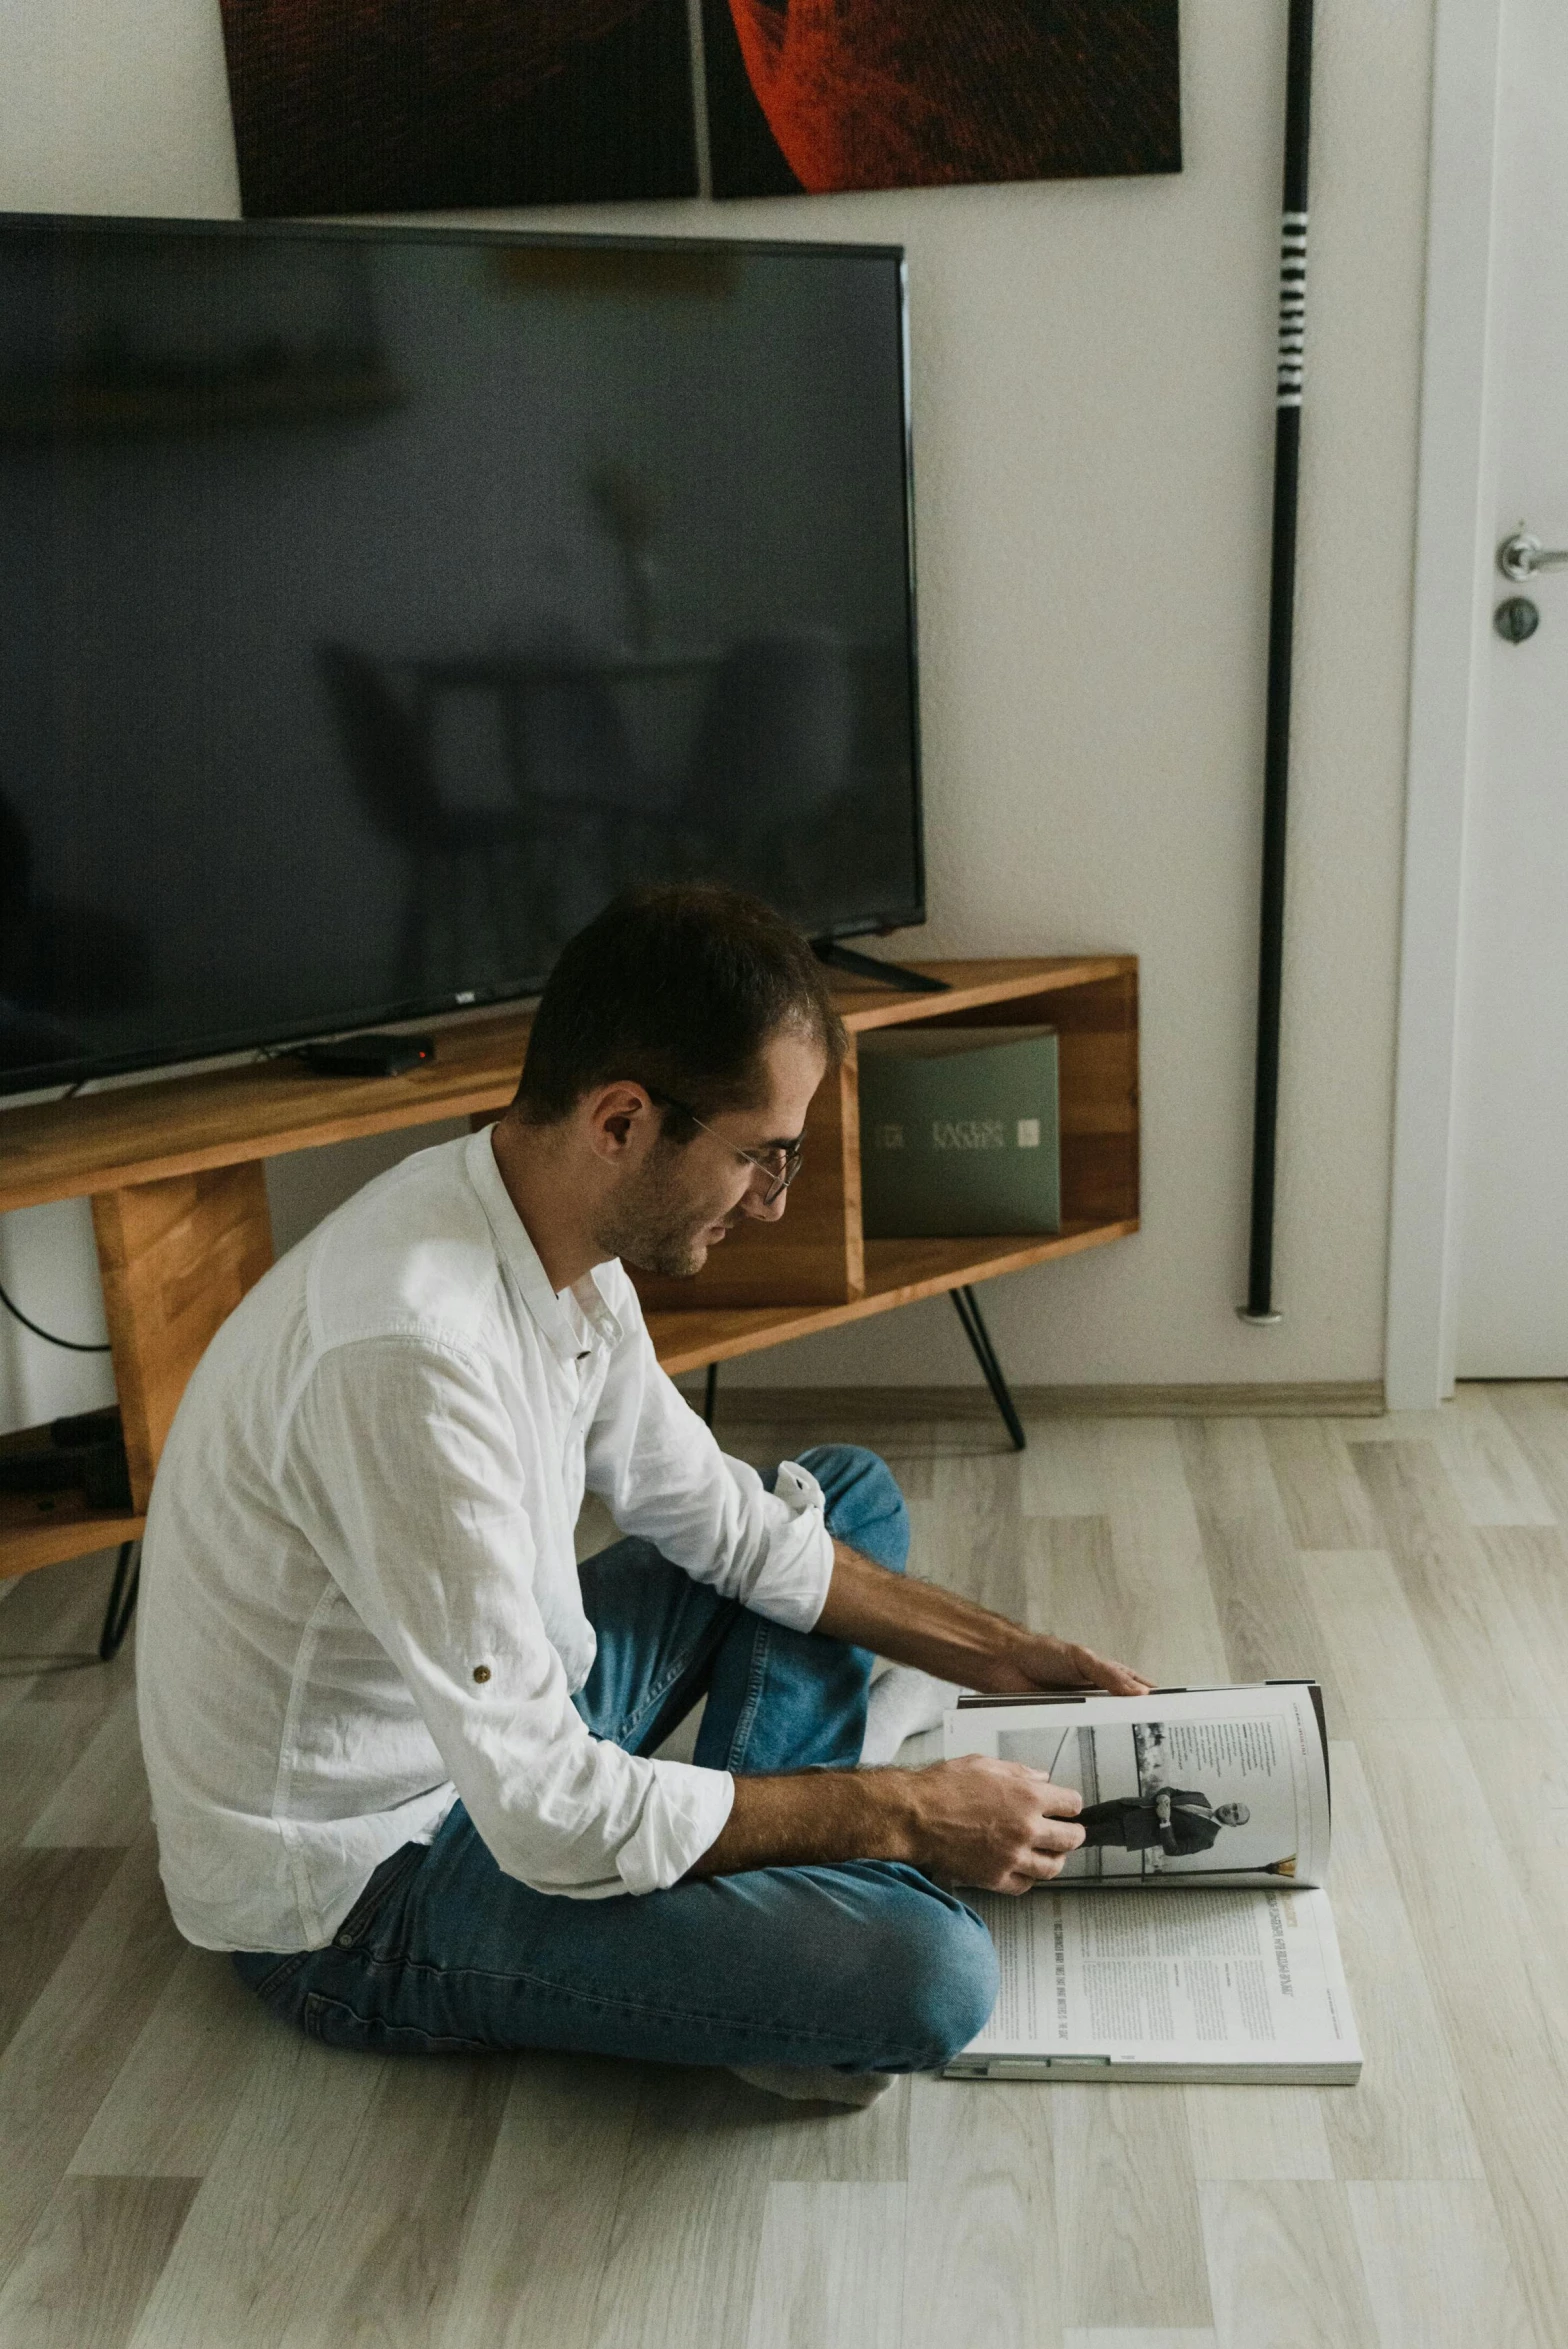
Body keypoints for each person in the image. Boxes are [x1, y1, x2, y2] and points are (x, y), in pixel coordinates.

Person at [136, 884, 1149, 2105]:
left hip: (510, 1731)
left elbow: (721, 1525)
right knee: (929, 1979)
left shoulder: (547, 1240)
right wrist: (900, 1814)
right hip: (367, 1880)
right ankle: (801, 1912)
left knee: (840, 1497)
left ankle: (762, 1908)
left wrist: (1001, 1651)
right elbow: (548, 1819)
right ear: (622, 1118)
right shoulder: (406, 1353)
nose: (771, 1202)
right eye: (760, 1157)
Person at [1078, 1790, 1250, 1859]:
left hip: (1130, 1831)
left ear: (1233, 1825)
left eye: (1235, 1815)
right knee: (1077, 1814)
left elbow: (1173, 1850)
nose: (1231, 1810)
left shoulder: (1207, 1839)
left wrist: (1165, 1820)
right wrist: (1165, 1796)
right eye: (1234, 1806)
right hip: (1128, 1805)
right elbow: (1170, 1790)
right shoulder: (1201, 1798)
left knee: (1080, 1837)